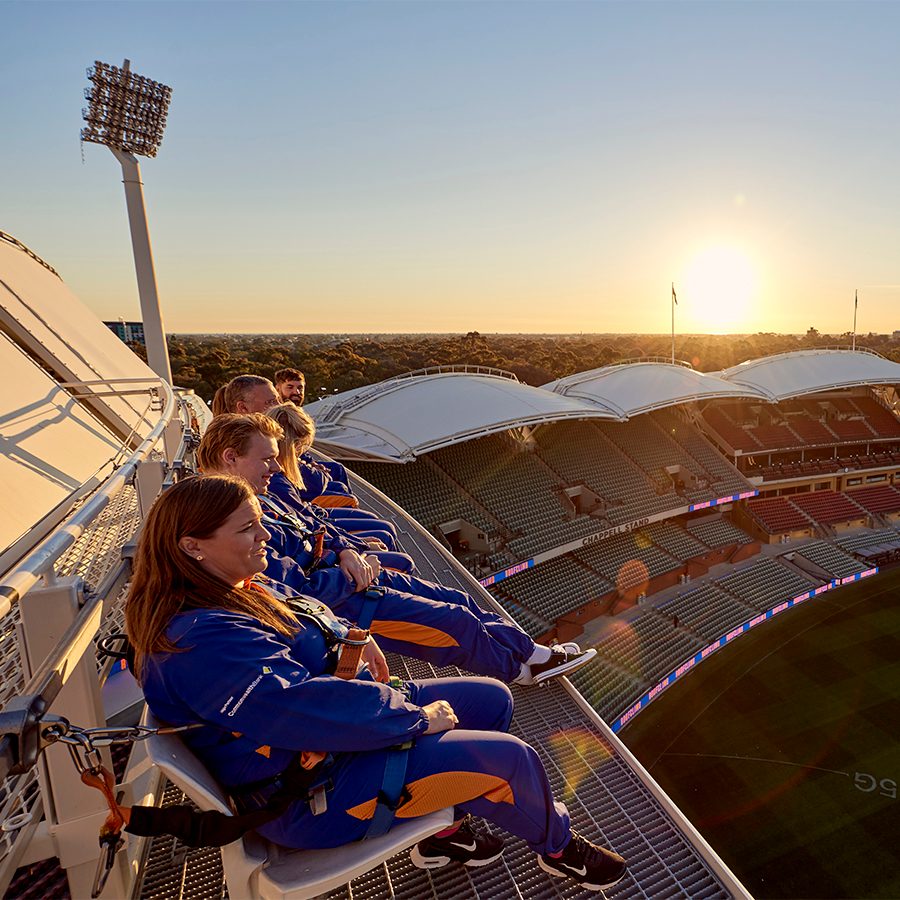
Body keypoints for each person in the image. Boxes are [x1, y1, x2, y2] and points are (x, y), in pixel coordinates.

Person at [124, 475, 627, 891]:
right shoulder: (200, 640)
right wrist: (414, 719)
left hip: (331, 743)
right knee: (510, 760)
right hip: (308, 793)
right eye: (246, 529)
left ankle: (443, 835)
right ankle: (560, 849)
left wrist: (353, 637)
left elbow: (310, 611)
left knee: (491, 699)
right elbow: (304, 707)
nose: (263, 536)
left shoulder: (232, 586)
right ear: (192, 546)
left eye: (259, 522)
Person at [196, 413, 597, 687]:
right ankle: (520, 670)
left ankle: (534, 653)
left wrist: (348, 552)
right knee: (454, 621)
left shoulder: (256, 495)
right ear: (231, 458)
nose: (276, 468)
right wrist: (345, 568)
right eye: (266, 459)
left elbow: (314, 528)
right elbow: (291, 589)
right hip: (343, 603)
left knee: (458, 598)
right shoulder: (230, 519)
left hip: (351, 576)